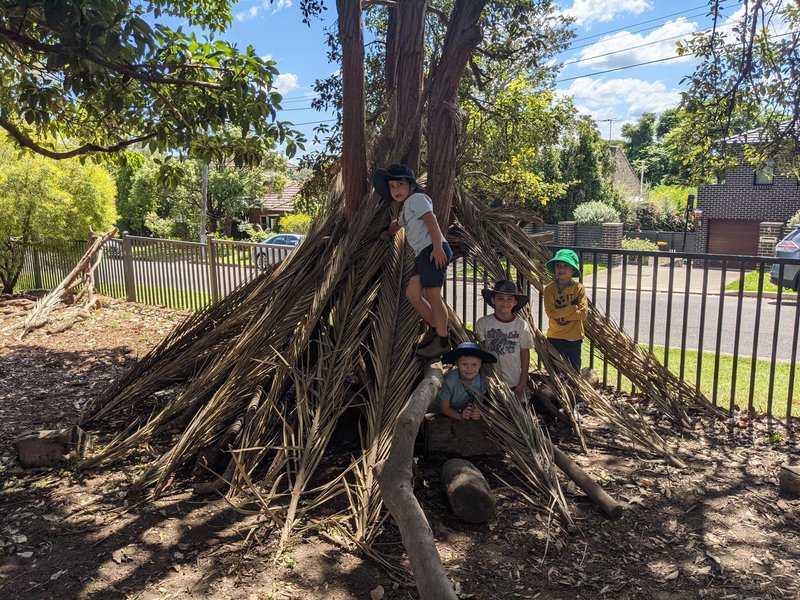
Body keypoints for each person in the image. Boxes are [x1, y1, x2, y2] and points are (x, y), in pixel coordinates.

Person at [373, 164, 453, 358]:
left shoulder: (417, 199)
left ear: (412, 185)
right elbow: (397, 225)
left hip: (432, 251)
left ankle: (443, 341)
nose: (395, 190)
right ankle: (435, 327)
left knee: (433, 295)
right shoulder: (406, 207)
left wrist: (437, 248)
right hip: (423, 254)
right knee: (412, 294)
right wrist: (386, 233)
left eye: (400, 184)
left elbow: (431, 220)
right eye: (392, 186)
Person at [475, 280, 534, 400]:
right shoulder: (483, 323)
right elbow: (480, 350)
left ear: (515, 302)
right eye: (500, 298)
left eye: (509, 299)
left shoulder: (521, 325)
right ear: (493, 300)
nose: (505, 303)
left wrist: (522, 382)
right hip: (490, 381)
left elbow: (524, 353)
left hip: (513, 381)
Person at [543, 248, 588, 370]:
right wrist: (573, 308)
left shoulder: (579, 288)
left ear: (573, 269)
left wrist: (560, 314)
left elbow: (583, 314)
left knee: (574, 371)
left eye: (565, 265)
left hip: (575, 338)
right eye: (558, 265)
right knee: (555, 371)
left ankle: (573, 390)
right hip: (555, 337)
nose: (561, 269)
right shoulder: (549, 289)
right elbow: (551, 314)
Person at [429, 342, 496, 421]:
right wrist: (460, 416)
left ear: (480, 365)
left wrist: (476, 412)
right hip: (435, 410)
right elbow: (445, 408)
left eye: (474, 365)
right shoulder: (449, 381)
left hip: (456, 408)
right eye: (464, 364)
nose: (469, 369)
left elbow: (478, 402)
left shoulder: (480, 381)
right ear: (457, 364)